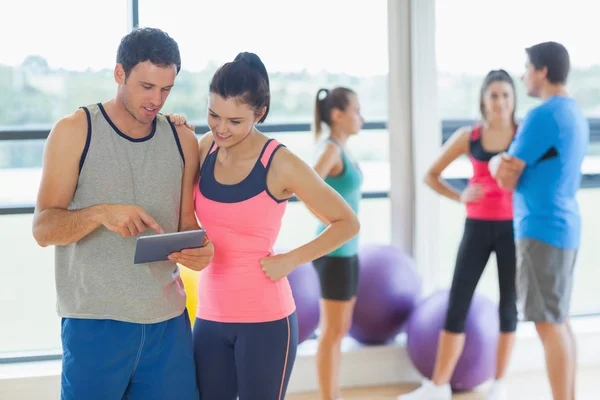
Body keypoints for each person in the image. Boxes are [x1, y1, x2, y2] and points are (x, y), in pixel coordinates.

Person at [32, 27, 213, 400]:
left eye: (166, 90)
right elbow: (43, 228)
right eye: (147, 87)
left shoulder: (182, 139)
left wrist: (201, 251)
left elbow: (187, 226)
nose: (157, 100)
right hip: (95, 324)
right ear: (119, 74)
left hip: (167, 324)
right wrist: (100, 214)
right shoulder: (75, 131)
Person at [189, 52, 361, 400]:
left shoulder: (280, 163)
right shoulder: (204, 148)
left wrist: (291, 259)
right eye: (213, 115)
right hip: (209, 315)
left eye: (235, 121)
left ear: (259, 114)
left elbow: (347, 223)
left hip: (266, 321)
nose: (221, 128)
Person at [400, 70, 519, 400]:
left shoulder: (523, 135)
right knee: (457, 305)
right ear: (483, 99)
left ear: (514, 100)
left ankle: (499, 385)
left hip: (513, 230)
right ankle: (438, 387)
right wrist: (461, 195)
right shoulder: (471, 136)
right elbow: (431, 175)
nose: (500, 102)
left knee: (509, 307)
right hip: (477, 229)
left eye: (506, 95)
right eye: (493, 95)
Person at [490, 41, 588, 400]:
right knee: (559, 322)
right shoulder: (572, 111)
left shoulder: (542, 115)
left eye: (527, 67)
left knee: (549, 326)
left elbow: (505, 177)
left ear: (542, 71)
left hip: (541, 228)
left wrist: (497, 163)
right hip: (563, 226)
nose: (523, 75)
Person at [311, 87, 364, 400]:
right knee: (331, 333)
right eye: (356, 110)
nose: (362, 117)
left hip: (349, 253)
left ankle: (335, 394)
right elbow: (306, 188)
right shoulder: (330, 150)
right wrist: (332, 223)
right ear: (337, 116)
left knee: (339, 331)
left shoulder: (343, 148)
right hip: (333, 254)